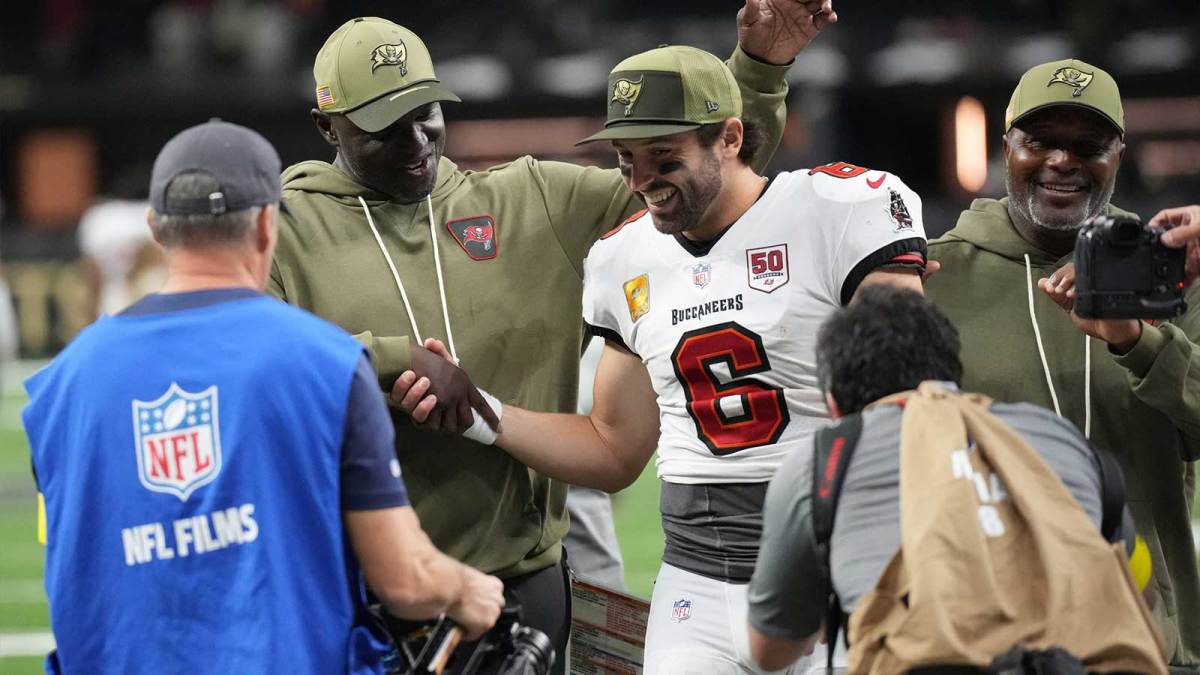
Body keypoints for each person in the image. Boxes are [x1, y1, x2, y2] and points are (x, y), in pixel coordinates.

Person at [267, 3, 836, 667]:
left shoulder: (529, 200)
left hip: (519, 578)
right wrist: (396, 364)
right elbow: (256, 353)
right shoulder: (286, 228)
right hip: (360, 593)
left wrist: (760, 72)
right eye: (382, 129)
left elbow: (707, 182)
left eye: (425, 113)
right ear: (325, 128)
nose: (416, 140)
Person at [395, 43, 928, 673]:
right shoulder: (624, 257)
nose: (642, 180)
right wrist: (483, 412)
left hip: (834, 553)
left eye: (664, 158)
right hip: (696, 578)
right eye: (626, 161)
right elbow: (613, 449)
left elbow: (906, 402)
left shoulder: (837, 210)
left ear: (731, 137)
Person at [22, 120, 504, 674]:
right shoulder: (325, 363)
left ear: (157, 230)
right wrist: (471, 591)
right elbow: (406, 580)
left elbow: (81, 564)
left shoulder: (59, 387)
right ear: (265, 225)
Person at [924, 59, 1200, 671]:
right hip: (983, 638)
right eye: (1041, 141)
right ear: (1007, 148)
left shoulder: (1171, 269)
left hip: (1147, 635)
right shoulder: (935, 276)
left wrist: (1137, 342)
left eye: (1087, 145)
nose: (1062, 160)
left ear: (1117, 156)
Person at [745, 285, 1163, 672]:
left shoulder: (823, 462)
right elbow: (1138, 591)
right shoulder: (1058, 435)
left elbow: (769, 650)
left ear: (834, 404)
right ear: (953, 373)